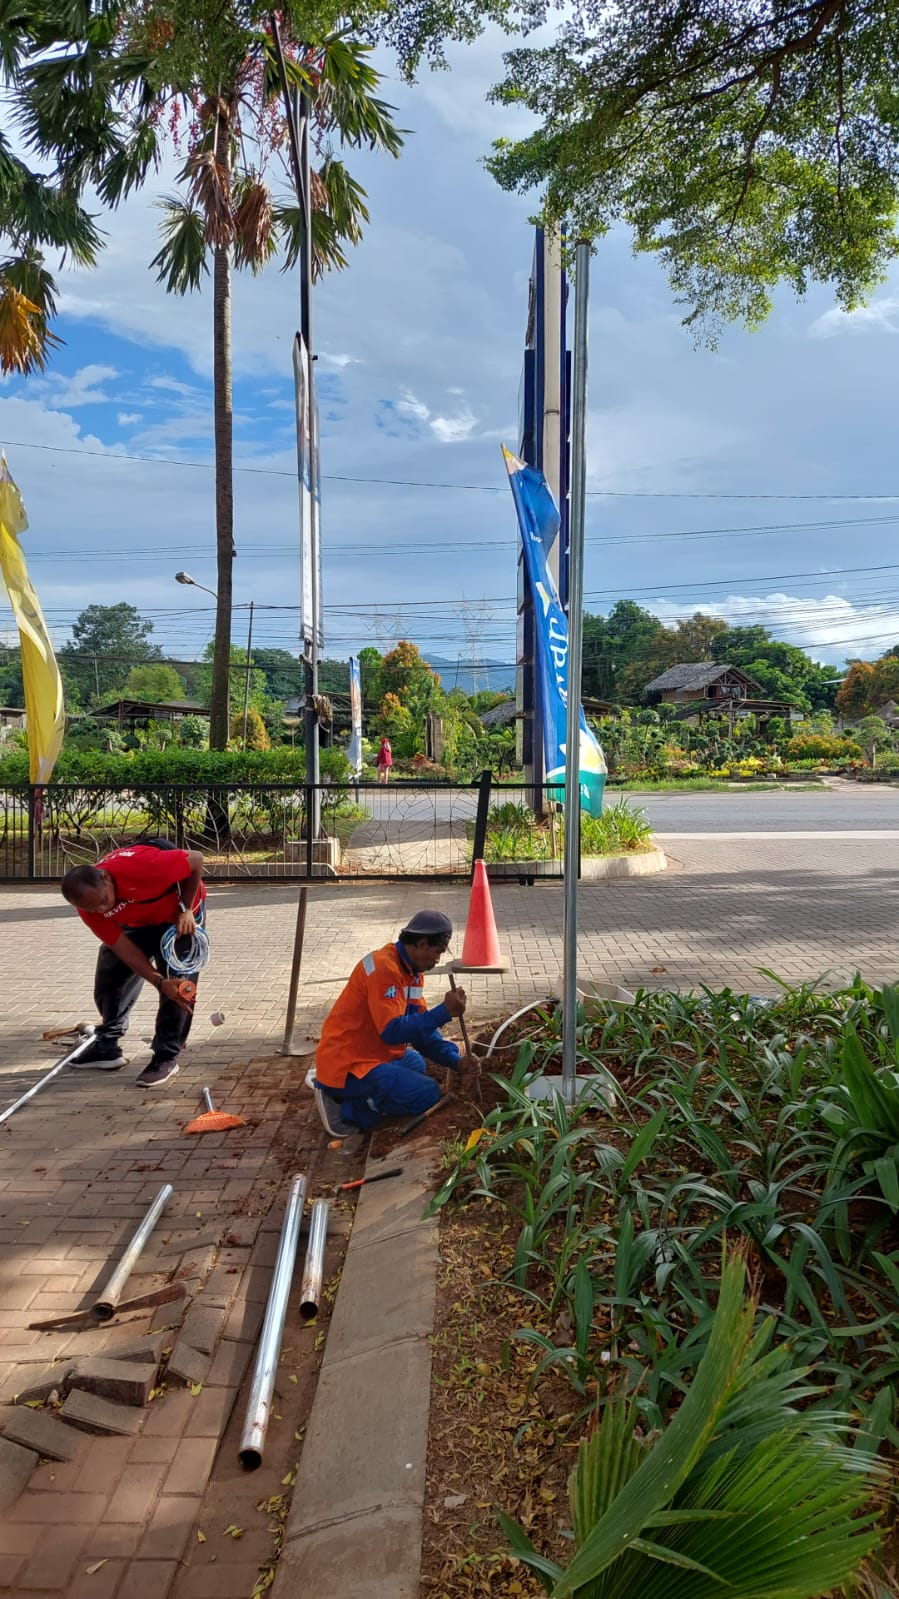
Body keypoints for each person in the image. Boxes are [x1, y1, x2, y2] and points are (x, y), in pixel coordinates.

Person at [60, 839, 207, 1089]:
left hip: (178, 915)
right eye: (94, 908)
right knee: (112, 970)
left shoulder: (146, 867)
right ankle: (107, 1044)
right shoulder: (89, 909)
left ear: (105, 878)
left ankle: (166, 1056)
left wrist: (185, 909)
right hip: (137, 920)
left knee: (180, 982)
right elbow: (125, 951)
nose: (102, 908)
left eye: (104, 901)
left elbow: (196, 859)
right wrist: (159, 982)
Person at [314, 909, 468, 1132]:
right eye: (438, 952)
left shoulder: (412, 972)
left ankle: (360, 1095)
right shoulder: (384, 968)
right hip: (345, 1064)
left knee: (416, 1064)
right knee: (428, 1093)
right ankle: (346, 1108)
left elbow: (422, 1033)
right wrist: (443, 1011)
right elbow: (392, 1032)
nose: (438, 960)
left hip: (368, 1053)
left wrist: (456, 1062)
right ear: (422, 943)